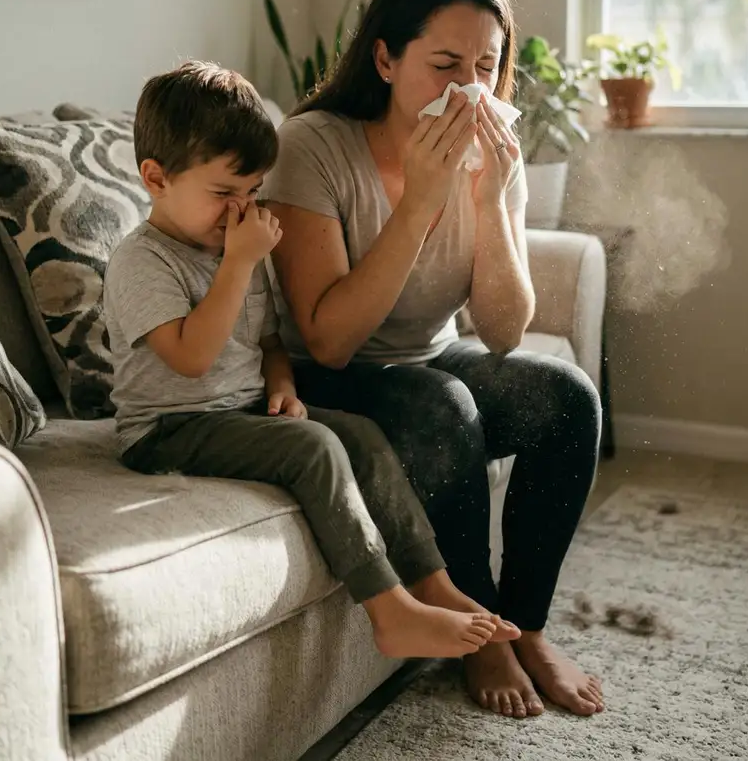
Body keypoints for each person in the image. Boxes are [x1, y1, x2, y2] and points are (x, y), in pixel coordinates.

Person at [263, 0, 605, 719]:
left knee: (568, 399)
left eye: (486, 66)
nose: (469, 90)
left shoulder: (494, 148)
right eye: (445, 64)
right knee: (441, 403)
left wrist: (487, 200)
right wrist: (420, 201)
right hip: (323, 372)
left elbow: (507, 330)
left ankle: (529, 625)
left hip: (429, 354)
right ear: (384, 57)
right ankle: (479, 631)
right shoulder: (313, 146)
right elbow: (330, 342)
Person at [104, 59, 521, 662]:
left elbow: (269, 341)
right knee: (315, 448)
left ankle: (434, 584)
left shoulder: (236, 242)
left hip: (240, 412)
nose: (239, 211)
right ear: (155, 177)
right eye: (223, 193)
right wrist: (241, 263)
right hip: (168, 429)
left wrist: (283, 386)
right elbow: (192, 357)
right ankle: (390, 612)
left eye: (250, 193)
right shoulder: (144, 261)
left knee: (358, 434)